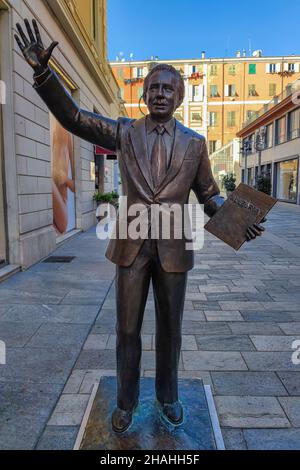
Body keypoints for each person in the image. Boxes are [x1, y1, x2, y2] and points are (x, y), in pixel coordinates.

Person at [15, 19, 265, 434]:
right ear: (144, 95)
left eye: (168, 88)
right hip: (131, 247)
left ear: (179, 97)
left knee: (171, 330)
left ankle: (168, 397)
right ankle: (126, 403)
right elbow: (75, 117)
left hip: (173, 248)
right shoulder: (124, 131)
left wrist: (239, 220)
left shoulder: (195, 144)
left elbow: (209, 195)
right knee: (126, 329)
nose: (160, 94)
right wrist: (43, 74)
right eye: (154, 88)